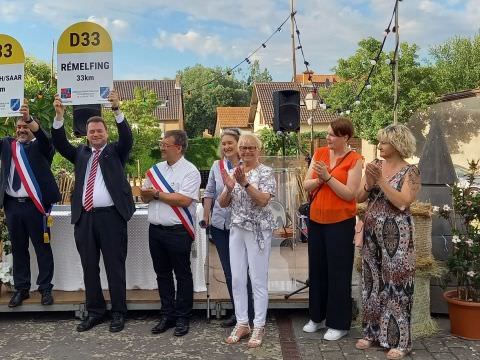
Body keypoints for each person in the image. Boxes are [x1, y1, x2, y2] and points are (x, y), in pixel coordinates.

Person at [51, 90, 135, 333]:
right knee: (89, 267)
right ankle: (96, 311)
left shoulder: (115, 151)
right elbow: (59, 143)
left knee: (114, 267)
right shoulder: (81, 153)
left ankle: (118, 312)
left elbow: (127, 138)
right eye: (91, 132)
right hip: (84, 219)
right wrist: (59, 117)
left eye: (100, 131)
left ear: (106, 133)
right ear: (86, 136)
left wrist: (117, 109)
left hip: (111, 218)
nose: (96, 134)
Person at [355, 124, 420, 360]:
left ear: (398, 144)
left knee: (397, 285)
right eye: (379, 141)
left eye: (384, 142)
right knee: (371, 282)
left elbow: (403, 202)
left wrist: (381, 181)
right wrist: (369, 181)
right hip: (372, 231)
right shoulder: (375, 166)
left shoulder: (411, 171)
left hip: (397, 235)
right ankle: (371, 333)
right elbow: (358, 197)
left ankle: (399, 341)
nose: (379, 145)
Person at [302, 117, 363, 340]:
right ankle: (316, 317)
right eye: (327, 133)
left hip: (340, 222)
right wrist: (320, 180)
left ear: (345, 137)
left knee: (339, 272)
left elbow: (351, 194)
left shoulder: (355, 159)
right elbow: (306, 185)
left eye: (332, 135)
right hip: (317, 219)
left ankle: (339, 323)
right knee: (317, 270)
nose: (327, 137)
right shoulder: (319, 154)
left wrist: (328, 177)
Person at [0, 100, 61, 308]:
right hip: (13, 206)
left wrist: (29, 118)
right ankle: (22, 289)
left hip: (35, 205)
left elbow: (45, 138)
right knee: (18, 249)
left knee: (42, 247)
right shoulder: (8, 146)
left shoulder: (41, 147)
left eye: (25, 127)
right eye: (18, 127)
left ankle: (45, 289)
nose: (21, 130)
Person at [218, 134, 276, 348]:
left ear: (258, 150)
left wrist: (245, 183)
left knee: (258, 280)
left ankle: (259, 324)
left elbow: (262, 201)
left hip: (258, 231)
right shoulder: (235, 171)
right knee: (238, 278)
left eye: (251, 148)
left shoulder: (266, 172)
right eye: (243, 148)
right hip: (237, 230)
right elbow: (223, 203)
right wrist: (231, 186)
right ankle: (242, 322)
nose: (247, 151)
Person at [141, 130, 201, 337]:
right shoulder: (156, 169)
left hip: (177, 232)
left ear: (179, 147)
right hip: (155, 231)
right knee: (162, 274)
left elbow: (184, 200)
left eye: (166, 144)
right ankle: (167, 315)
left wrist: (157, 194)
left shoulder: (190, 171)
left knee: (183, 275)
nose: (162, 147)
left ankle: (183, 316)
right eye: (162, 143)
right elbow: (144, 196)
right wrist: (151, 195)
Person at [202, 128, 254, 328]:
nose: (226, 147)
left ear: (239, 144)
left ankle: (251, 314)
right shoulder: (217, 165)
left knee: (245, 270)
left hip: (241, 225)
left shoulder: (248, 166)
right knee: (230, 271)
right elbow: (209, 193)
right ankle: (238, 313)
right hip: (220, 225)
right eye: (223, 144)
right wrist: (206, 215)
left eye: (230, 143)